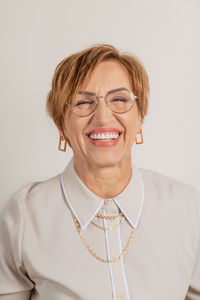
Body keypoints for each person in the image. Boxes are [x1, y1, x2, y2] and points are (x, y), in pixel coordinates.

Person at [0, 44, 199, 300]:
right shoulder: (25, 215)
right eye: (83, 102)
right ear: (62, 125)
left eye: (119, 99)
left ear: (140, 118)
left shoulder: (187, 206)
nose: (103, 117)